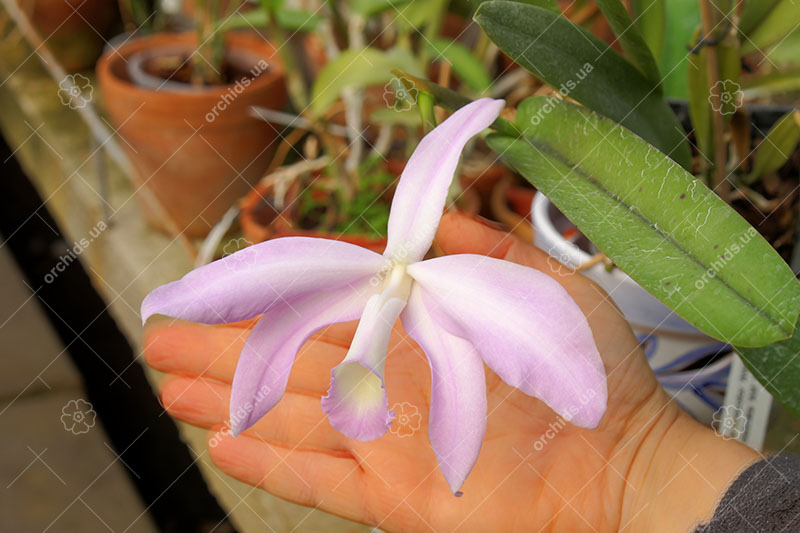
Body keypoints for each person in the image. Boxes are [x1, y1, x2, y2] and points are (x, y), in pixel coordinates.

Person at [144, 211, 799, 531]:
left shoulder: (459, 292)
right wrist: (646, 457)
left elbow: (570, 377)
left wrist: (638, 449)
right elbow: (255, 327)